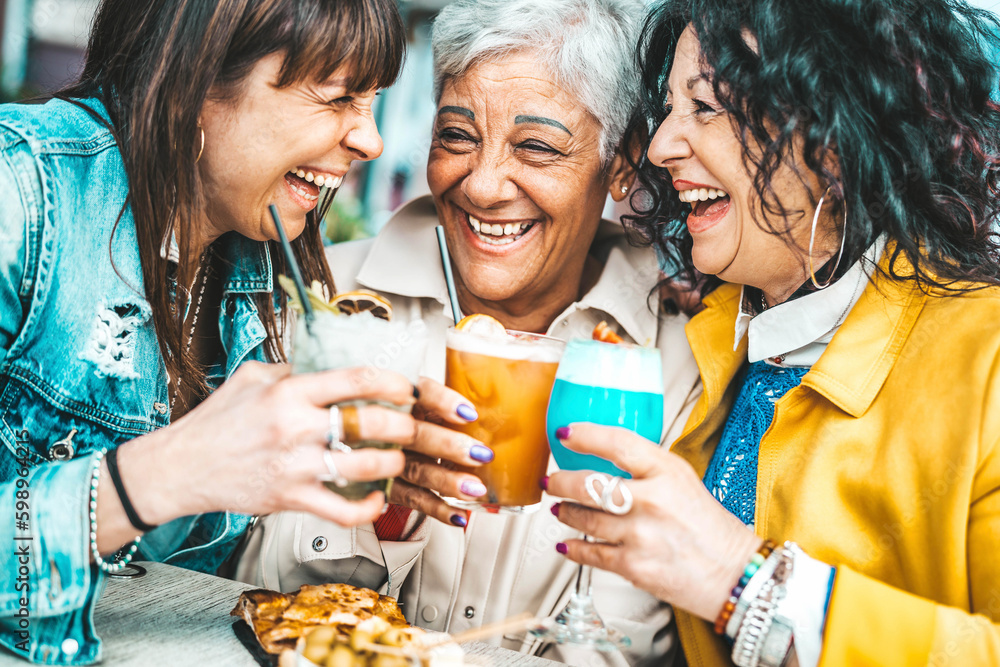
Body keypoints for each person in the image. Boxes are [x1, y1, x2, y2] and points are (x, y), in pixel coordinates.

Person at [0, 1, 476, 663]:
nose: (369, 140)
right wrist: (160, 474)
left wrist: (348, 469)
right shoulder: (18, 192)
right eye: (337, 97)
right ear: (197, 80)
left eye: (371, 103)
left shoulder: (259, 262)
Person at [235, 0, 701, 664]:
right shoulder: (324, 302)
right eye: (456, 135)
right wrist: (378, 507)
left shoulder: (673, 359)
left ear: (622, 160)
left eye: (536, 146)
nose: (481, 186)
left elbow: (617, 644)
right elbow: (256, 595)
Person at [543, 0, 1000, 665]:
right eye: (667, 110)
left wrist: (744, 578)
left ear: (837, 138)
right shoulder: (712, 334)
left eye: (705, 107)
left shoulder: (986, 360)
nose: (663, 144)